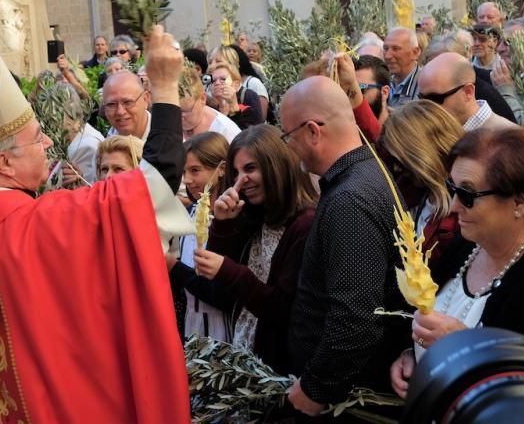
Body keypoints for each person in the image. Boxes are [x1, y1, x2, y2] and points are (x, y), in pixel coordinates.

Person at [0, 27, 194, 422]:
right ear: (4, 163)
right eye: (37, 139)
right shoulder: (42, 225)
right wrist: (166, 88)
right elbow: (155, 183)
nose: (48, 143)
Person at [389, 127, 524, 399]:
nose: (454, 205)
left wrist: (470, 346)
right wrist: (411, 355)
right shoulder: (465, 245)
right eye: (452, 188)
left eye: (468, 195)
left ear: (519, 201)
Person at [279, 76, 406, 414]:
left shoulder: (350, 200)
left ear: (312, 131)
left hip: (343, 400)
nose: (286, 147)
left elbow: (355, 318)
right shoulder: (364, 173)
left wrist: (315, 389)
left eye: (286, 136)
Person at [191, 125, 318, 374]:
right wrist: (223, 224)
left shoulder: (305, 224)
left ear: (276, 166)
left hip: (278, 367)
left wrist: (229, 271)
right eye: (236, 172)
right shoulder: (254, 216)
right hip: (246, 352)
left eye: (250, 168)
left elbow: (282, 307)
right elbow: (220, 292)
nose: (241, 180)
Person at [379, 100, 464, 265]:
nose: (396, 168)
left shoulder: (464, 207)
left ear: (422, 156)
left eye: (402, 161)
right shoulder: (410, 188)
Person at [171, 132, 231, 341]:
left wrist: (174, 268)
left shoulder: (231, 219)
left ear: (221, 169)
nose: (187, 180)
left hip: (222, 330)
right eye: (184, 171)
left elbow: (222, 294)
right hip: (191, 324)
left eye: (195, 171)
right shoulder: (192, 212)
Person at [417, 53, 516, 131]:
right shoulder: (437, 129)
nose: (425, 108)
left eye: (434, 99)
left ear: (468, 92)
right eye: (421, 98)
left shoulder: (506, 138)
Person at [179, 65, 240, 142]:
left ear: (203, 99)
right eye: (175, 110)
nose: (179, 116)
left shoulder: (226, 132)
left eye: (185, 111)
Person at [209, 45, 270, 119]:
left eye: (218, 61)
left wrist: (234, 107)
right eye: (210, 62)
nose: (212, 66)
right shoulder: (209, 92)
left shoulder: (248, 95)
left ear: (232, 64)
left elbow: (255, 126)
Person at [207, 61, 262, 129]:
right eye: (213, 80)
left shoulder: (247, 111)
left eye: (223, 79)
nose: (217, 83)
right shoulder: (208, 111)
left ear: (236, 85)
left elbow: (247, 136)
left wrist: (233, 106)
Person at [102, 70, 151, 139]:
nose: (120, 112)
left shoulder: (167, 141)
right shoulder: (107, 141)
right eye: (111, 104)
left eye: (127, 102)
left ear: (145, 100)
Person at [384, 27, 421, 108]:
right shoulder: (382, 80)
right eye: (385, 49)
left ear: (415, 52)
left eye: (395, 49)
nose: (387, 56)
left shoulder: (425, 87)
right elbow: (364, 85)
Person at [354, 55, 391, 123]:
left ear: (385, 92)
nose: (353, 96)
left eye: (361, 88)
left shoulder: (402, 130)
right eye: (347, 90)